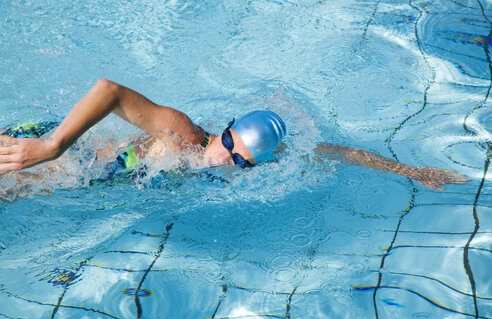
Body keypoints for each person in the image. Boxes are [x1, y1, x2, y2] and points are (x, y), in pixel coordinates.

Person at [0, 79, 469, 201]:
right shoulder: (183, 132)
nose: (225, 161)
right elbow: (109, 91)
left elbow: (338, 152)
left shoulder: (257, 160)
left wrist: (412, 171)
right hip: (56, 160)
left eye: (241, 163)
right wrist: (53, 145)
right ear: (222, 130)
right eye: (227, 145)